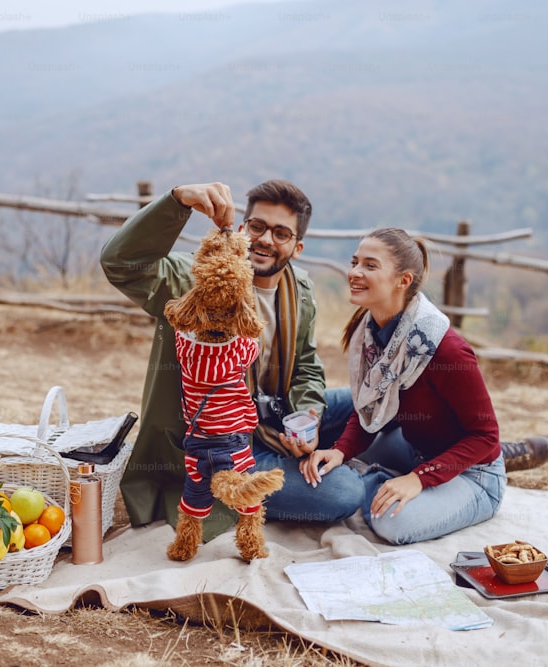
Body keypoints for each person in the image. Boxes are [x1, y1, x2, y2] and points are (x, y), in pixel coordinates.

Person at [100, 180, 364, 539]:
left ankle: (321, 459)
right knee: (345, 492)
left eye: (281, 233)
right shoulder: (197, 280)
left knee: (364, 402)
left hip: (277, 416)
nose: (267, 239)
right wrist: (177, 200)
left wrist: (310, 416)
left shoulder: (299, 288)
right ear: (242, 229)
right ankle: (291, 479)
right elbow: (121, 263)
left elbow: (306, 366)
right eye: (258, 227)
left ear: (297, 247)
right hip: (226, 444)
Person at [301, 228, 510, 544]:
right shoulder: (370, 330)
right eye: (354, 262)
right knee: (333, 439)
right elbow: (370, 405)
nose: (355, 273)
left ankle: (366, 482)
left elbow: (486, 436)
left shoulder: (447, 350)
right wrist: (342, 452)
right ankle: (370, 477)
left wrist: (419, 479)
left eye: (370, 266)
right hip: (415, 448)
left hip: (475, 476)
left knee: (392, 523)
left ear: (403, 280)